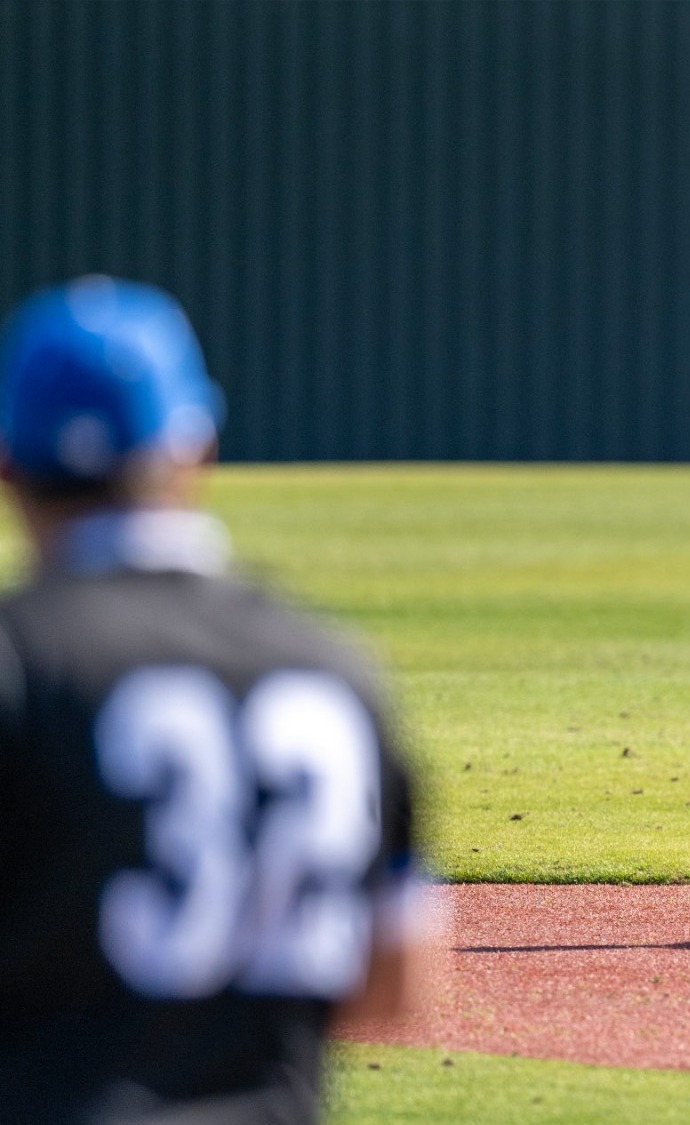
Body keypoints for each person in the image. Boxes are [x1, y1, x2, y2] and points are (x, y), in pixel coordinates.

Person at [0, 276, 425, 1122]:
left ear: (9, 465)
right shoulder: (334, 670)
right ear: (196, 449)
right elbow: (397, 977)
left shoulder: (19, 658)